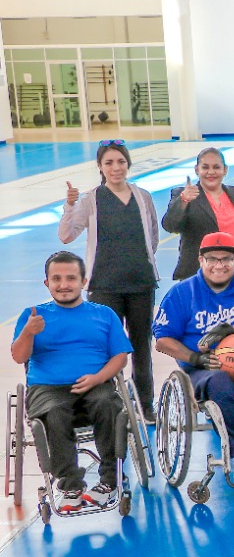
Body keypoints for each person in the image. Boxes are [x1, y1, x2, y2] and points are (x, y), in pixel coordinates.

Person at [153, 232, 234, 487]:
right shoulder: (181, 293)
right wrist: (195, 358)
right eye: (212, 259)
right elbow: (163, 340)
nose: (219, 265)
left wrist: (233, 330)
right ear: (201, 260)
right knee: (219, 382)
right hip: (204, 367)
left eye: (226, 259)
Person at [11, 252, 130, 509]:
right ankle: (70, 485)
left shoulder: (104, 314)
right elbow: (19, 356)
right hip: (48, 389)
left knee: (109, 405)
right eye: (56, 279)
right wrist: (28, 333)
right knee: (54, 412)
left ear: (83, 282)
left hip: (95, 385)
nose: (63, 284)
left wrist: (98, 378)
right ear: (47, 283)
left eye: (71, 278)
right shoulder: (32, 316)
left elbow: (120, 356)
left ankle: (110, 481)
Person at [58, 139, 159, 423]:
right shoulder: (91, 199)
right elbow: (66, 235)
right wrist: (69, 205)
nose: (116, 168)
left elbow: (151, 236)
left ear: (128, 164)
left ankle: (145, 404)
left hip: (141, 284)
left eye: (121, 162)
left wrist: (141, 263)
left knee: (141, 347)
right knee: (107, 349)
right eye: (109, 163)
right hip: (104, 286)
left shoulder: (143, 197)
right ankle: (110, 405)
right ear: (100, 167)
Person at [162, 146, 234, 285]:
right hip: (201, 281)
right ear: (197, 170)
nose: (211, 172)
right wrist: (184, 200)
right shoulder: (184, 195)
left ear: (225, 170)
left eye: (216, 167)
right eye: (205, 167)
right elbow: (170, 225)